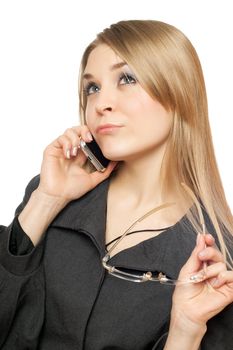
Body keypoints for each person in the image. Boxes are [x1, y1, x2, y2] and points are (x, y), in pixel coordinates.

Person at [0, 19, 233, 350]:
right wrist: (46, 200)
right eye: (92, 87)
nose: (100, 103)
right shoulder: (51, 194)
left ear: (178, 92)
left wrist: (185, 331)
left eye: (127, 79)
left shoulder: (218, 257)